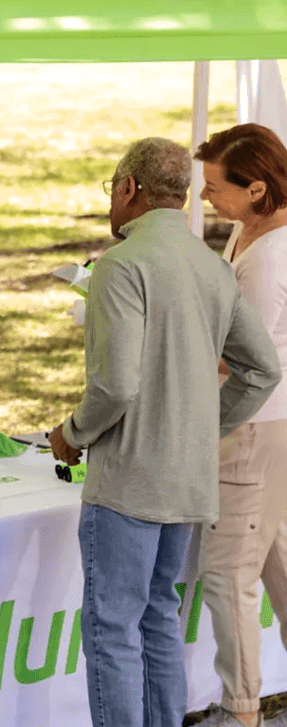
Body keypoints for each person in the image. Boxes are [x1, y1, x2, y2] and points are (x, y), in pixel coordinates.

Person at [48, 138, 281, 727]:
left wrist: (73, 432)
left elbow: (117, 386)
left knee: (113, 628)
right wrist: (206, 428)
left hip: (129, 480)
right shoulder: (213, 264)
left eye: (112, 190)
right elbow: (264, 369)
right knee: (158, 617)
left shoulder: (120, 266)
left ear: (128, 190)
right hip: (188, 478)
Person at [193, 124, 287, 727]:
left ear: (256, 188)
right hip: (273, 423)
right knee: (278, 558)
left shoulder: (269, 256)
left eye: (214, 188)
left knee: (228, 572)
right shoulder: (253, 232)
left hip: (251, 424)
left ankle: (241, 709)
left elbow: (241, 353)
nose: (205, 198)